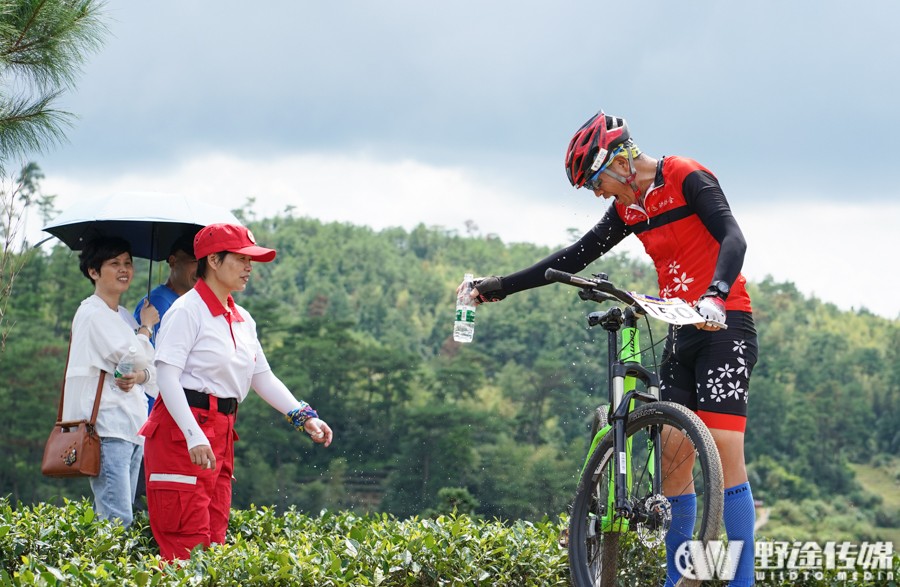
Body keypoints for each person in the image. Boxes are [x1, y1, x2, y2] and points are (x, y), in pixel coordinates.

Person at [465, 110, 758, 587]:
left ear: (620, 161)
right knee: (674, 464)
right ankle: (679, 580)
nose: (596, 193)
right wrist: (499, 287)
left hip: (725, 325)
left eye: (595, 180)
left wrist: (716, 294)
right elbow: (573, 256)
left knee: (725, 460)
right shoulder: (630, 208)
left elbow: (733, 237)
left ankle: (740, 582)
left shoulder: (685, 175)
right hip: (680, 328)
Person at [140, 222, 334, 561]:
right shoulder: (186, 311)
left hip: (223, 429)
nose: (249, 268)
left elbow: (262, 376)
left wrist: (303, 416)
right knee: (186, 546)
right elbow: (167, 378)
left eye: (251, 260)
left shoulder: (242, 318)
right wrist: (192, 434)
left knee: (214, 543)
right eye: (242, 259)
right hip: (181, 432)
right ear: (213, 261)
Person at [63, 236, 160, 527]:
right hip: (107, 426)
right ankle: (110, 573)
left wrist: (139, 374)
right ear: (93, 271)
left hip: (131, 427)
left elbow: (149, 370)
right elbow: (131, 355)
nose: (124, 270)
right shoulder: (93, 313)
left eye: (128, 263)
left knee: (121, 517)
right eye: (114, 263)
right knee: (117, 520)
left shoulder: (124, 317)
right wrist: (146, 329)